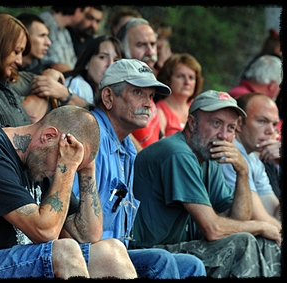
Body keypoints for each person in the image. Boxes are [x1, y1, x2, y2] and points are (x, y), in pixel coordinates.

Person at [0, 106, 138, 279]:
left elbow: (88, 235)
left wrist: (86, 169)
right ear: (49, 136)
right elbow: (46, 231)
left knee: (112, 252)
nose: (58, 171)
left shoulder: (41, 163)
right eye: (66, 161)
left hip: (6, 264)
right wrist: (66, 167)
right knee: (64, 251)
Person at [72, 59, 207, 279]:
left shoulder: (128, 147)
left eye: (151, 96)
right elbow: (71, 222)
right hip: (86, 254)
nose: (148, 103)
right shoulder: (89, 135)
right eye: (138, 93)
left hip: (120, 253)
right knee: (159, 261)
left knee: (191, 265)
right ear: (108, 97)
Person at [131, 90, 281, 277]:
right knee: (244, 243)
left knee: (262, 241)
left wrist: (243, 172)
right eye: (216, 123)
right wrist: (261, 225)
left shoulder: (208, 158)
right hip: (150, 253)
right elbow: (213, 229)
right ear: (193, 123)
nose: (223, 136)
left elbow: (237, 220)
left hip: (175, 248)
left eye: (231, 128)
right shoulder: (178, 153)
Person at [221, 92, 281, 224]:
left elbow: (274, 213)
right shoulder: (230, 153)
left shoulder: (253, 159)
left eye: (274, 124)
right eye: (262, 121)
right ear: (240, 123)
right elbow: (262, 220)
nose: (271, 131)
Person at [116, 17, 163, 151]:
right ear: (123, 49)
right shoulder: (117, 88)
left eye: (153, 44)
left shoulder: (149, 84)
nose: (150, 52)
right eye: (141, 45)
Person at [63, 35, 124, 105]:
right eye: (103, 57)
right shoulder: (79, 86)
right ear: (87, 62)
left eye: (116, 60)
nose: (110, 64)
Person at [155, 53, 204, 137]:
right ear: (168, 79)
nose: (187, 82)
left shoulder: (198, 108)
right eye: (180, 76)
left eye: (191, 77)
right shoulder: (159, 111)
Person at [39, 6, 87, 73]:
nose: (83, 19)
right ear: (78, 11)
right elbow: (56, 65)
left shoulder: (65, 31)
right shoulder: (46, 23)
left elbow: (73, 61)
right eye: (84, 14)